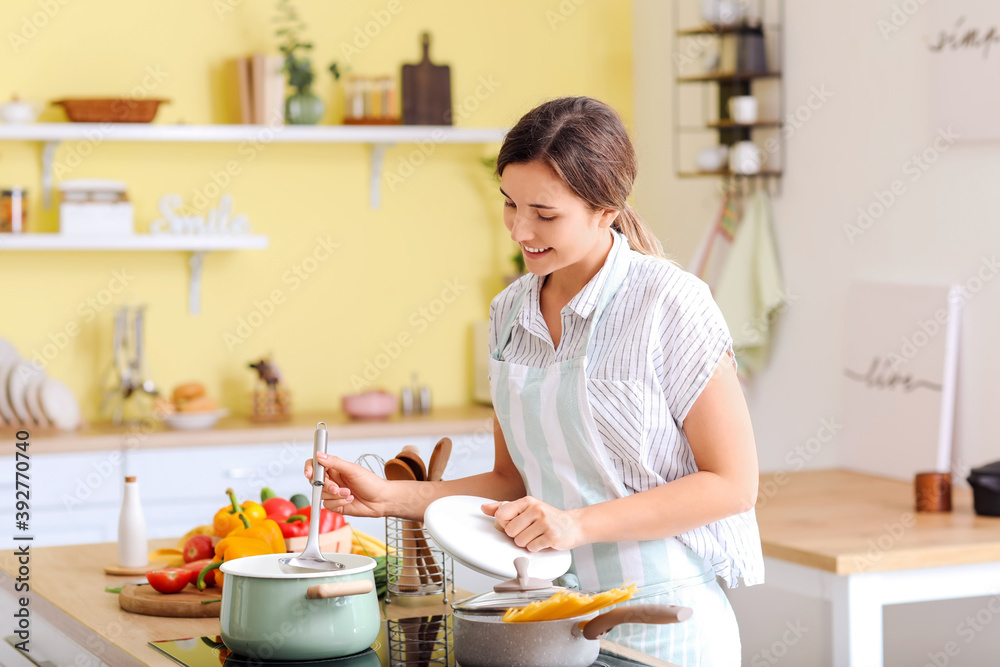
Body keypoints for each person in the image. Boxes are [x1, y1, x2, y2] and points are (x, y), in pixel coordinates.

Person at [308, 96, 764, 665]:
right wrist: (393, 498)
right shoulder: (508, 312)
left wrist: (575, 525)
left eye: (545, 214)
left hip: (664, 625)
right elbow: (511, 481)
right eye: (509, 204)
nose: (521, 230)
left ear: (607, 209)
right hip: (551, 623)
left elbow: (732, 484)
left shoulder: (671, 303)